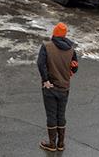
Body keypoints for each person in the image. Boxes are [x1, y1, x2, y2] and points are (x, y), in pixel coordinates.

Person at [37, 22, 79, 152]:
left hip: (50, 87)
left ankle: (51, 144)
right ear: (65, 35)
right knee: (61, 115)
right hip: (64, 87)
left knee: (51, 115)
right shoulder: (71, 49)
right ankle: (60, 144)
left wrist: (46, 80)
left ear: (54, 33)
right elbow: (75, 67)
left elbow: (41, 64)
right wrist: (67, 76)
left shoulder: (47, 46)